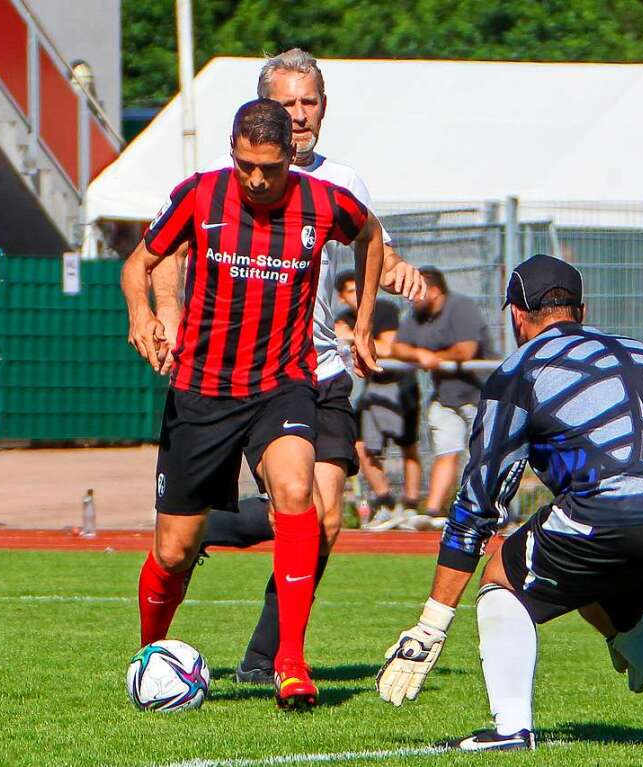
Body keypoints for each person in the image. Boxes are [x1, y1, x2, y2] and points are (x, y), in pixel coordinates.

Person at [376, 255, 643, 751]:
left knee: (502, 574)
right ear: (580, 310)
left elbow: (478, 504)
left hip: (623, 512)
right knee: (604, 597)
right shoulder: (639, 350)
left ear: (516, 315)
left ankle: (509, 731)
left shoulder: (520, 370)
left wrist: (432, 625)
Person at [151, 48, 425, 685]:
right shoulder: (228, 180)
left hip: (319, 369)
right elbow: (162, 248)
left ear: (324, 109)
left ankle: (268, 657)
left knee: (323, 516)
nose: (300, 117)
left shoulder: (343, 182)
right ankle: (198, 533)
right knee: (287, 511)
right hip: (232, 371)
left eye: (310, 103)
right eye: (288, 105)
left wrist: (380, 291)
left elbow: (368, 240)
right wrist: (165, 315)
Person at [122, 98, 385, 709]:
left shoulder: (323, 202)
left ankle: (289, 661)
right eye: (246, 166)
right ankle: (150, 654)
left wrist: (365, 320)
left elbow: (370, 235)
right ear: (233, 152)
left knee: (298, 495)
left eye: (269, 167)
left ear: (291, 157)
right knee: (173, 549)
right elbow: (142, 261)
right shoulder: (200, 195)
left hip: (281, 384)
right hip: (202, 388)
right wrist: (143, 312)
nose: (257, 180)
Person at [390, 267, 493, 528]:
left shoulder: (462, 307)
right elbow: (398, 347)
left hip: (480, 394)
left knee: (484, 456)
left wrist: (437, 358)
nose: (410, 297)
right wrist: (419, 355)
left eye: (415, 290)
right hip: (447, 397)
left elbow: (467, 349)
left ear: (433, 290)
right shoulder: (416, 316)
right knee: (446, 450)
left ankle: (488, 511)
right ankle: (434, 512)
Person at [332, 270, 422, 525]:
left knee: (408, 445)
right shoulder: (343, 318)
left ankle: (412, 507)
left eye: (359, 289)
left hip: (400, 383)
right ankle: (387, 503)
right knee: (361, 446)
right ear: (341, 297)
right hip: (373, 387)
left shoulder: (382, 309)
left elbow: (388, 347)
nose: (356, 296)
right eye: (350, 292)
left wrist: (352, 337)